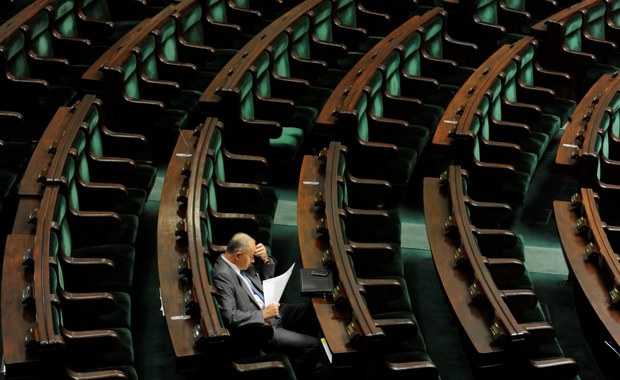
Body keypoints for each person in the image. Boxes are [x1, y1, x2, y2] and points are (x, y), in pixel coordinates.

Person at [212, 232, 322, 378]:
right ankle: (298, 371)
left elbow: (264, 280)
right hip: (262, 327)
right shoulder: (223, 274)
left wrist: (266, 259)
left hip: (273, 309)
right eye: (251, 256)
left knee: (313, 311)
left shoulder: (240, 263)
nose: (252, 261)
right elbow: (229, 316)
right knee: (314, 345)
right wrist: (263, 314)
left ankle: (302, 357)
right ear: (238, 254)